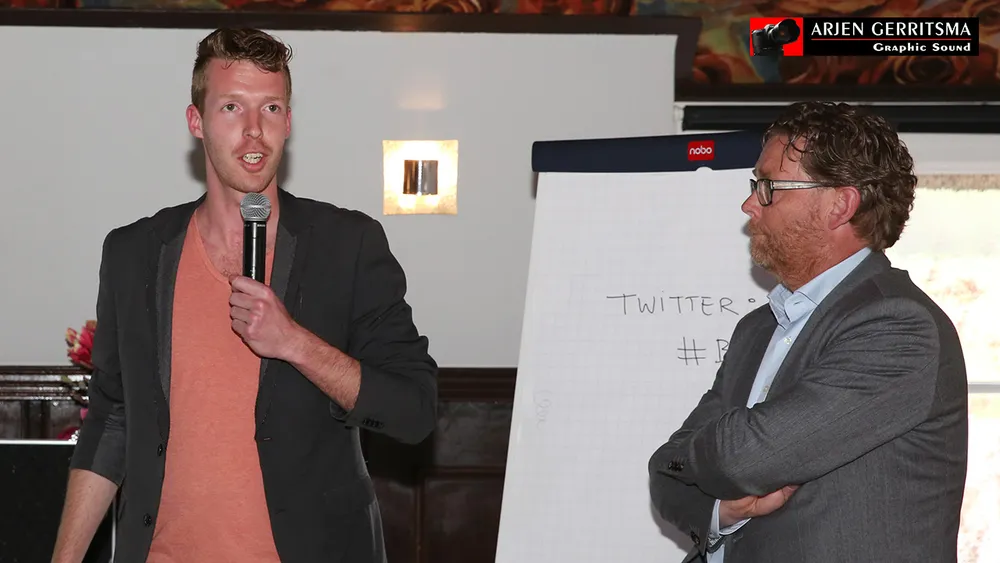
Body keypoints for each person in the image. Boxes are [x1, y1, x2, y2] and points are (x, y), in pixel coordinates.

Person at [51, 27, 438, 563]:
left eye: (271, 108)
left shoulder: (347, 245)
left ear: (289, 122)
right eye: (232, 107)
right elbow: (111, 421)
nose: (254, 130)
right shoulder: (134, 253)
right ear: (197, 121)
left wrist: (294, 343)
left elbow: (413, 411)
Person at [648, 101, 968, 563]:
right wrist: (721, 509)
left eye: (767, 187)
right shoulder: (756, 329)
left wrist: (690, 457)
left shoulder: (897, 325)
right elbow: (666, 476)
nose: (749, 204)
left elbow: (744, 458)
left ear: (840, 204)